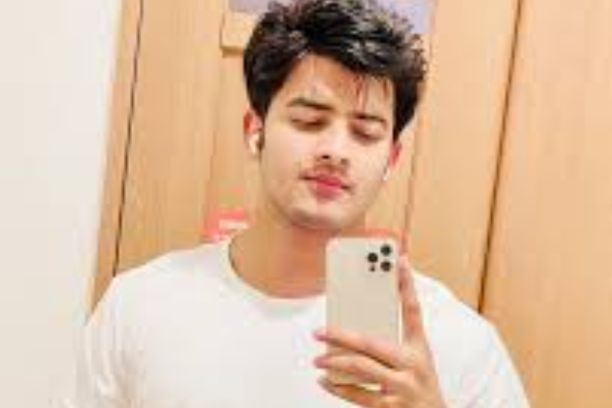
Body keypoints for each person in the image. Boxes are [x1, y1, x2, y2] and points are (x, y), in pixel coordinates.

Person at [67, 0, 530, 406]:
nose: (336, 150)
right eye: (309, 121)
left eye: (365, 132)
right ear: (255, 131)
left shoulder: (455, 342)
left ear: (390, 159)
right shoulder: (141, 306)